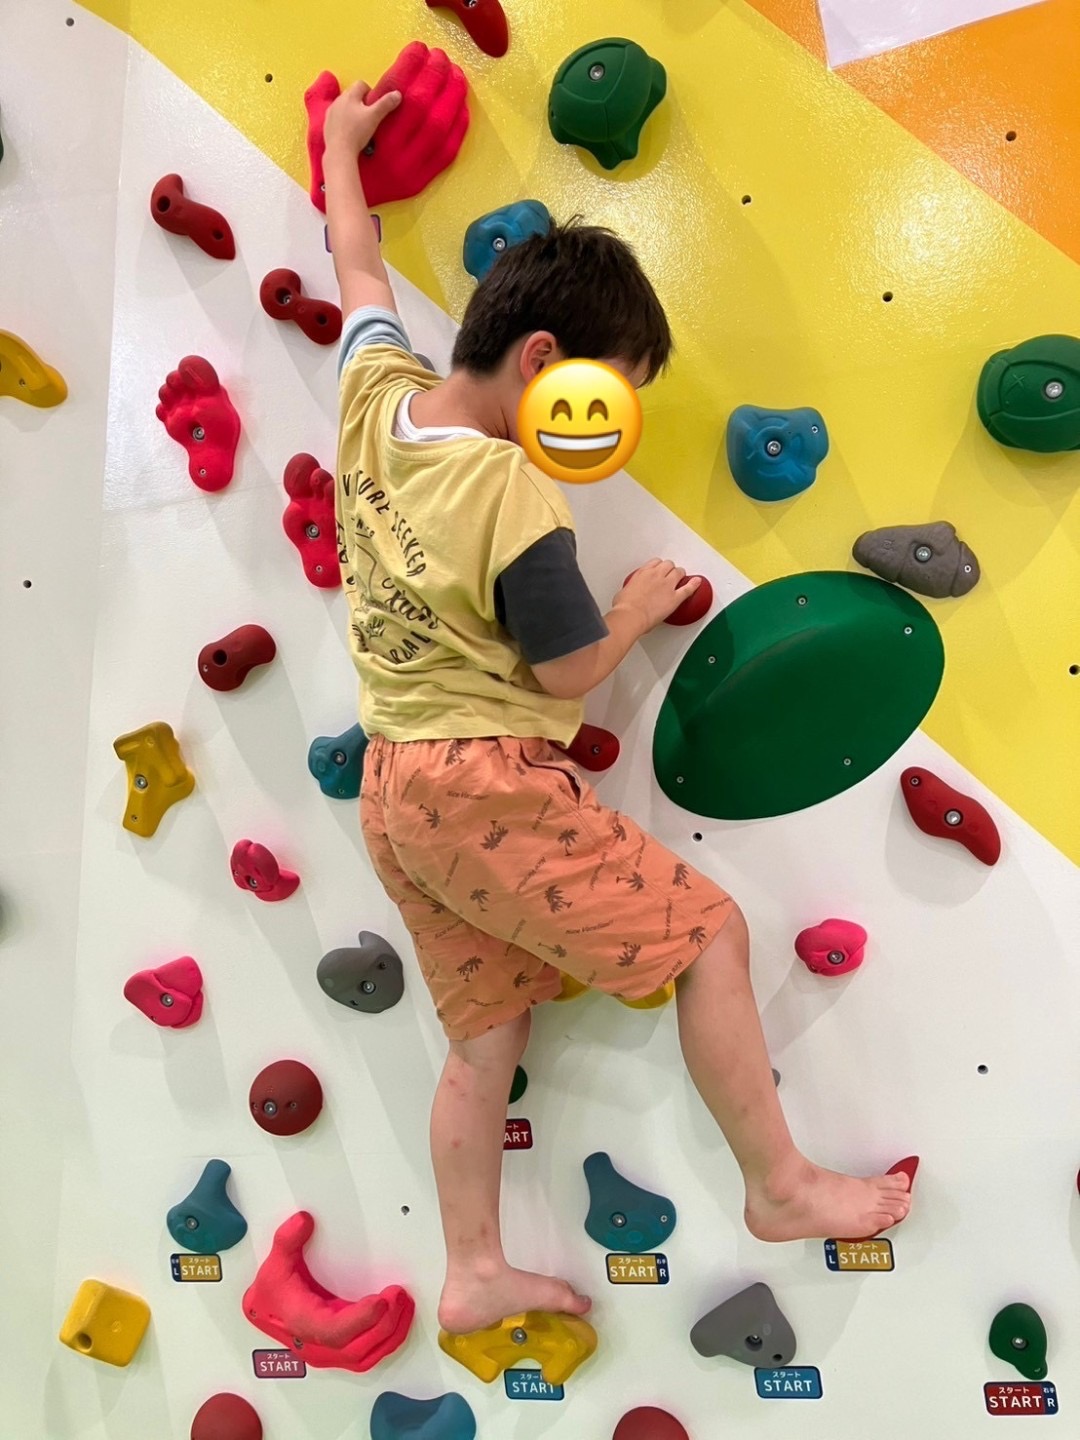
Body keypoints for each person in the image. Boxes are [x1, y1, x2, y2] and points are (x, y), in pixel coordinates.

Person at [322, 78, 912, 1336]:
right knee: (709, 937)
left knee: (485, 1039)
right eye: (606, 398)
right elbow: (563, 672)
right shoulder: (514, 496)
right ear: (542, 364)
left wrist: (339, 147)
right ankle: (780, 1183)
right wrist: (636, 608)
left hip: (394, 788)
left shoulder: (375, 398)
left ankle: (474, 1271)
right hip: (481, 783)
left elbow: (356, 264)